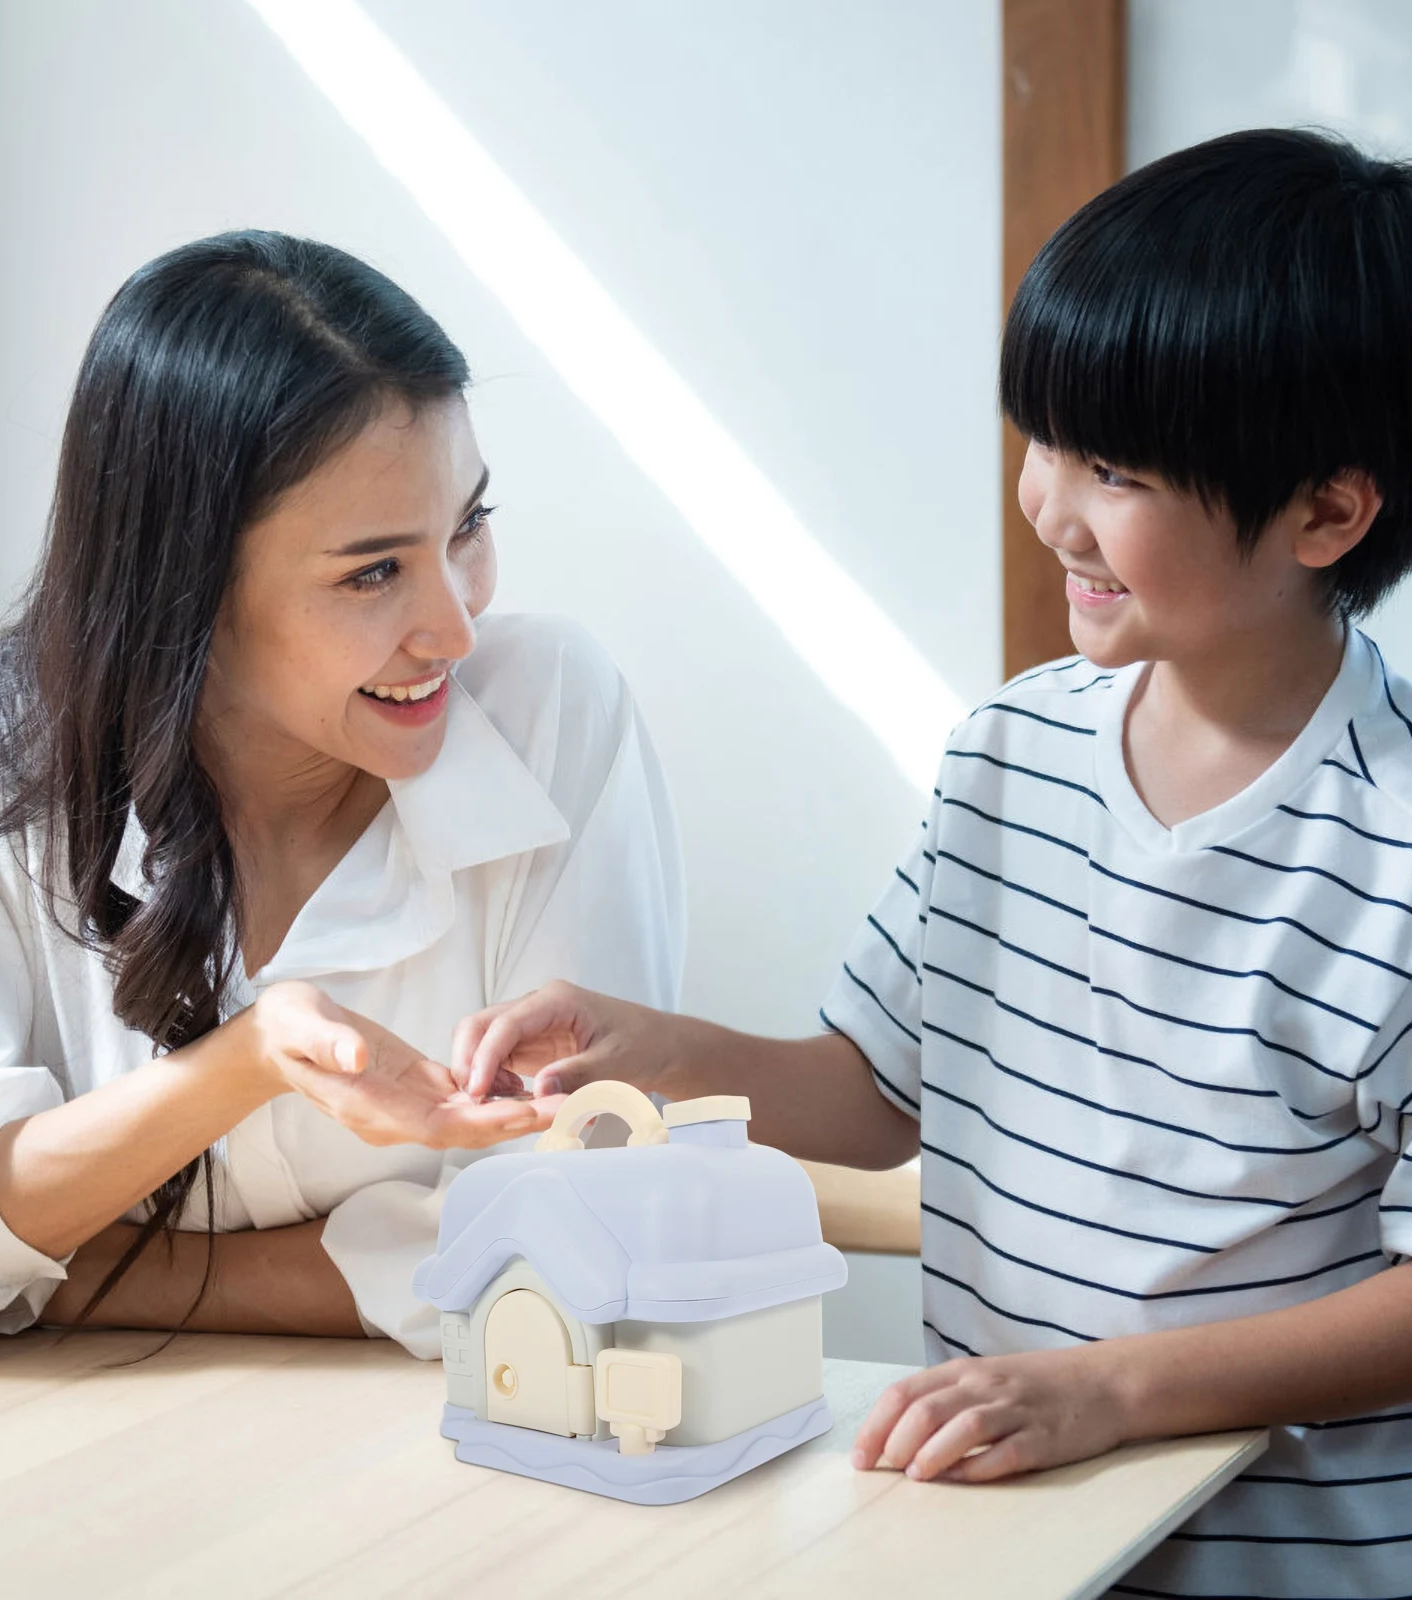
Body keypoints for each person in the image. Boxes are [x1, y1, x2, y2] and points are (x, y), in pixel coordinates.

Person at [456, 130, 1412, 1598]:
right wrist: (644, 1051)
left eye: (1111, 468)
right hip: (997, 1546)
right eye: (1041, 441)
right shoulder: (1009, 755)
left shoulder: (1393, 847)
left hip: (1279, 1569)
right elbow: (871, 1092)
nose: (1049, 504)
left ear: (1328, 513)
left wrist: (1106, 1389)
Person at [0, 231, 682, 1364]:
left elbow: (575, 1254)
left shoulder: (550, 710)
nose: (454, 625)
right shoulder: (2, 738)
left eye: (465, 525)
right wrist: (245, 1061)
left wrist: (76, 1271)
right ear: (185, 586)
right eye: (373, 572)